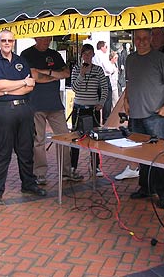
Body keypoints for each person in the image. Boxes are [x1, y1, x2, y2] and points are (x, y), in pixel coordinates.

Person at [0, 29, 47, 206]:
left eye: (10, 41)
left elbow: (31, 86)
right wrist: (21, 83)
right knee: (1, 153)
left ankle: (28, 184)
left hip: (24, 111)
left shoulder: (21, 61)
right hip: (4, 112)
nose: (7, 43)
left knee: (26, 151)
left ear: (14, 42)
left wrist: (6, 90)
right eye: (3, 40)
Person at [124, 29, 164, 209]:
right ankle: (146, 188)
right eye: (137, 38)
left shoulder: (160, 58)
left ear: (150, 39)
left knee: (159, 156)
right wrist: (126, 100)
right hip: (135, 116)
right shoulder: (130, 59)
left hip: (156, 117)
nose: (141, 42)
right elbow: (129, 82)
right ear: (134, 40)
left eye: (144, 38)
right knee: (141, 155)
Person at [20, 36, 83, 184]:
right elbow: (34, 77)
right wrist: (54, 74)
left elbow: (66, 73)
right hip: (35, 104)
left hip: (55, 104)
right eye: (43, 38)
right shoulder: (27, 54)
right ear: (36, 37)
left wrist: (45, 72)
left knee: (65, 137)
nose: (46, 41)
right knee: (38, 141)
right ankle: (39, 174)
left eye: (48, 38)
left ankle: (66, 172)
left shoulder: (55, 54)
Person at [71, 44, 108, 177]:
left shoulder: (98, 70)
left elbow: (104, 87)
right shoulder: (76, 69)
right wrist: (81, 74)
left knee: (95, 138)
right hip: (79, 109)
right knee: (76, 137)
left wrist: (101, 102)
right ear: (81, 55)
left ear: (93, 55)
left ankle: (96, 166)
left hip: (93, 110)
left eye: (89, 54)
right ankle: (73, 166)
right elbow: (74, 88)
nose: (87, 57)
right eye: (85, 54)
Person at [92, 41, 114, 124]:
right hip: (104, 78)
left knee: (96, 99)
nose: (106, 49)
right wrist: (112, 70)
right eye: (106, 47)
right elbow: (108, 68)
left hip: (95, 79)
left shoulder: (94, 56)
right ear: (102, 47)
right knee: (107, 100)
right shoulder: (102, 55)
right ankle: (106, 120)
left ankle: (96, 121)